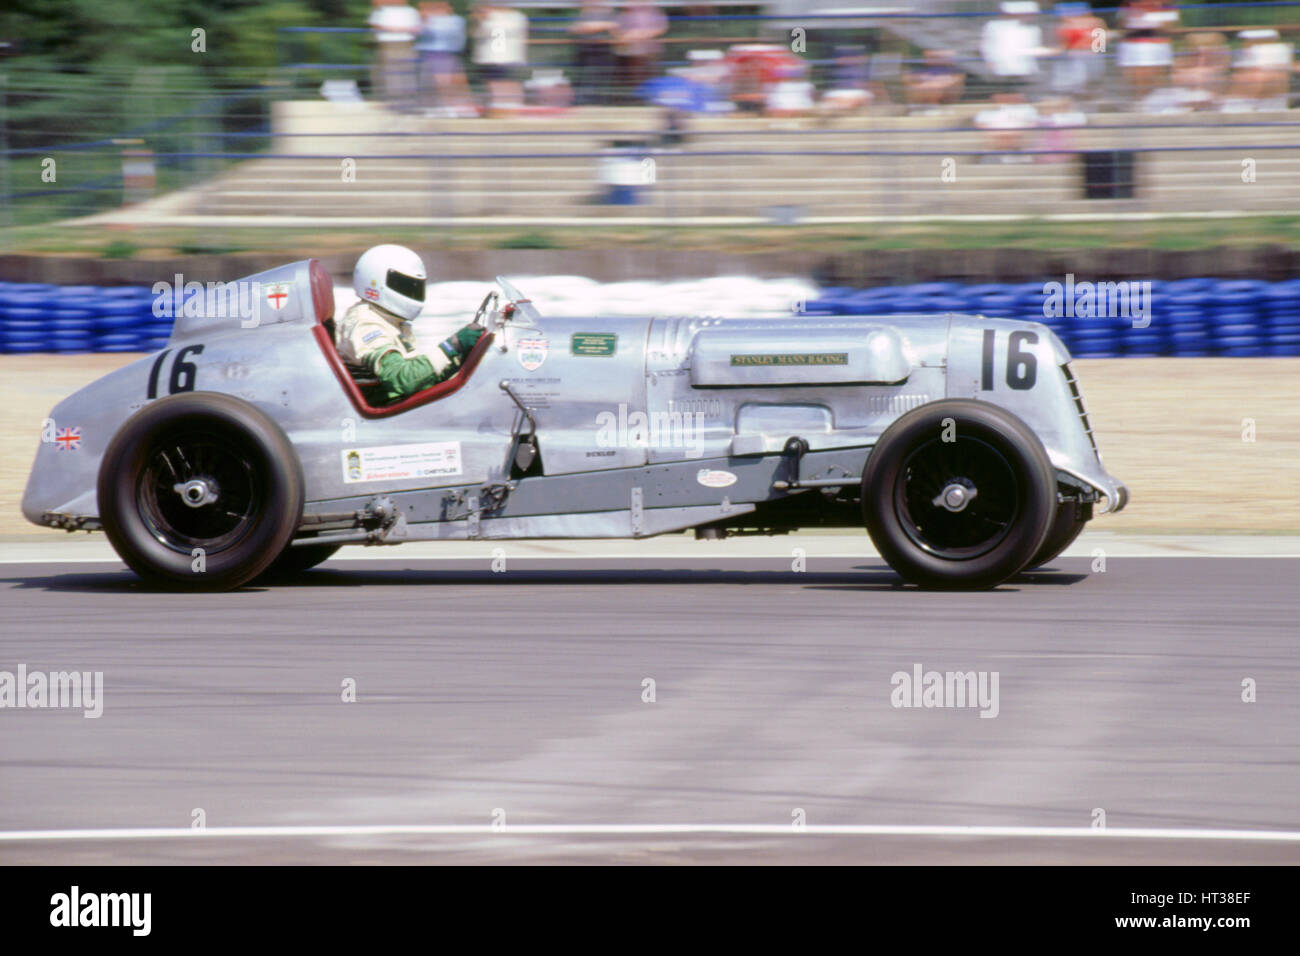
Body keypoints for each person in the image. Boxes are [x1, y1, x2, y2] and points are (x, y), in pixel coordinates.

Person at [336, 245, 484, 404]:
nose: (412, 292)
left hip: (402, 412)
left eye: (416, 287)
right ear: (374, 282)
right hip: (385, 416)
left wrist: (458, 358)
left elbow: (420, 379)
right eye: (405, 285)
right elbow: (403, 380)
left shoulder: (390, 321)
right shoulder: (365, 323)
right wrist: (453, 345)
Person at [471, 2, 529, 114]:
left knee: (504, 83)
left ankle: (508, 107)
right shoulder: (493, 15)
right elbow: (478, 34)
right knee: (496, 82)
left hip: (503, 56)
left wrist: (484, 19)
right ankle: (502, 107)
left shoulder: (514, 17)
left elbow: (495, 32)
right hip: (493, 57)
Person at [415, 1, 468, 112]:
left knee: (456, 80)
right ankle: (446, 105)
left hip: (450, 53)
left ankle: (457, 105)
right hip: (435, 53)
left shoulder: (455, 20)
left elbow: (456, 37)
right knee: (442, 82)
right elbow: (419, 33)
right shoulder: (427, 20)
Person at [368, 0, 422, 105]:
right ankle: (392, 99)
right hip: (388, 44)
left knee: (402, 71)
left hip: (404, 43)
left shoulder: (410, 11)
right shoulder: (382, 10)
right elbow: (376, 26)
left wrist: (392, 29)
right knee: (390, 72)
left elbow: (417, 29)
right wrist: (403, 29)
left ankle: (403, 99)